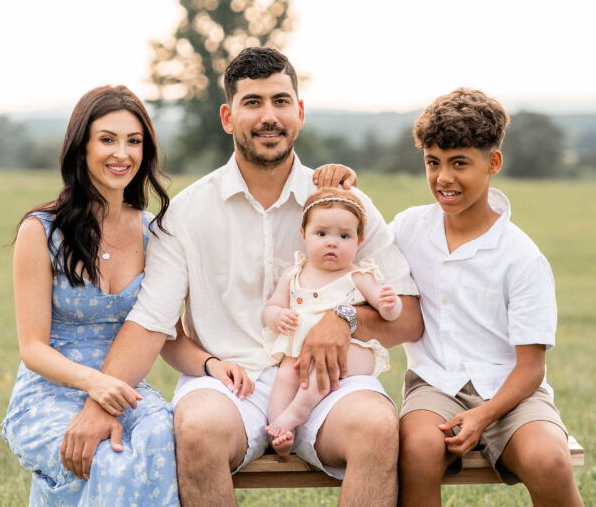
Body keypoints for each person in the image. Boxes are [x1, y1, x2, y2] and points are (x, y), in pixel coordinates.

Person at [61, 47, 423, 506]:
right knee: (195, 428)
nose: (268, 116)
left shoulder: (345, 203)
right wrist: (98, 404)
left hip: (327, 382)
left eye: (280, 101)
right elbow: (152, 322)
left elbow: (409, 317)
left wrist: (345, 318)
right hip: (228, 385)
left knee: (376, 426)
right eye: (253, 103)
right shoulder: (185, 214)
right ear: (229, 117)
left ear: (300, 112)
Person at [1, 85, 252, 506]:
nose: (123, 153)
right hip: (51, 392)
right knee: (110, 458)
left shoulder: (156, 235)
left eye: (134, 141)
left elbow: (165, 337)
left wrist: (211, 364)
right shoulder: (41, 231)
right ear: (81, 148)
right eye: (108, 139)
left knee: (160, 442)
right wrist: (95, 383)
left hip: (127, 392)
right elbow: (32, 348)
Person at [390, 88, 583, 505]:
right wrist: (339, 181)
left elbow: (531, 368)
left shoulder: (522, 257)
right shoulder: (407, 229)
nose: (443, 178)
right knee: (417, 450)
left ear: (492, 162)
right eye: (433, 162)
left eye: (459, 163)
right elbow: (354, 235)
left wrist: (483, 415)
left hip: (512, 391)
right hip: (434, 384)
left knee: (550, 458)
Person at [263, 187, 405, 456]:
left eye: (344, 236)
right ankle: (279, 431)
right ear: (303, 234)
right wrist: (277, 317)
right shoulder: (294, 274)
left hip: (350, 353)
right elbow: (272, 307)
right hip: (300, 351)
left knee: (321, 368)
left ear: (359, 241)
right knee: (284, 375)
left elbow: (389, 314)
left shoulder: (358, 276)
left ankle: (297, 411)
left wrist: (390, 304)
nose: (332, 242)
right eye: (322, 234)